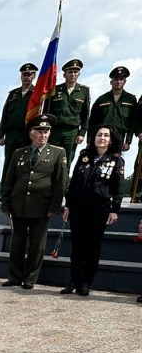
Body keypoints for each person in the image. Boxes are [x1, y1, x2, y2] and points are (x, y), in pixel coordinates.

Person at [0, 113, 67, 290]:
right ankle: (14, 276)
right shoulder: (19, 153)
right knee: (17, 243)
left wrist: (54, 206)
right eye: (40, 131)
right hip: (19, 204)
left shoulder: (57, 153)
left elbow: (60, 182)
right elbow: (9, 180)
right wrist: (5, 203)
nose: (43, 135)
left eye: (46, 131)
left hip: (42, 206)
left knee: (37, 245)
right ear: (31, 133)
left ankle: (30, 278)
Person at [61, 125, 123, 296]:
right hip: (78, 207)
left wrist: (114, 210)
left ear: (111, 140)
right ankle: (73, 281)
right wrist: (68, 205)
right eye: (99, 135)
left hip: (99, 208)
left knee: (92, 247)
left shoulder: (116, 160)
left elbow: (118, 188)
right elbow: (73, 183)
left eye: (105, 135)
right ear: (94, 137)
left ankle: (86, 283)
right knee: (77, 247)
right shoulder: (84, 156)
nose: (102, 138)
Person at [0, 63, 38, 184]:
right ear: (21, 76)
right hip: (11, 134)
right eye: (24, 74)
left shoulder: (37, 94)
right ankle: (5, 191)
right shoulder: (13, 94)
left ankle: (20, 189)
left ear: (34, 76)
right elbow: (4, 115)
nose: (27, 77)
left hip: (26, 134)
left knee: (24, 162)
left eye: (29, 74)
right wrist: (1, 135)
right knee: (9, 162)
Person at [50, 59, 90, 169]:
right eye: (70, 72)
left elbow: (86, 114)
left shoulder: (84, 91)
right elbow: (48, 111)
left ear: (79, 74)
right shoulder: (55, 90)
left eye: (75, 72)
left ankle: (63, 186)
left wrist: (82, 133)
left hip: (72, 132)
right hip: (55, 131)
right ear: (64, 74)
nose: (73, 74)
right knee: (51, 161)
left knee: (66, 163)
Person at [89, 66, 138, 153]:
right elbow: (92, 122)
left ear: (125, 81)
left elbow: (133, 122)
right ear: (111, 81)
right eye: (116, 79)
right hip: (103, 135)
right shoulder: (102, 99)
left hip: (119, 135)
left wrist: (128, 142)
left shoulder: (131, 100)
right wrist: (90, 141)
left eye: (121, 79)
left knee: (115, 161)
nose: (118, 82)